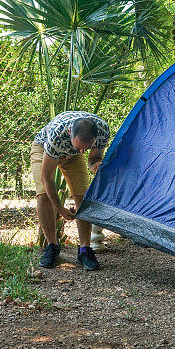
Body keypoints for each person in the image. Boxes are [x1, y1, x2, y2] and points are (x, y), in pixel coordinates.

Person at [31, 111, 110, 270]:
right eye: (80, 147)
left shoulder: (102, 131)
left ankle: (84, 250)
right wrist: (60, 208)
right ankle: (52, 247)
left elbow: (94, 158)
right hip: (44, 149)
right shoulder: (57, 135)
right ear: (69, 133)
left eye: (86, 148)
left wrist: (94, 165)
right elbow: (47, 178)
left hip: (71, 155)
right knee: (44, 195)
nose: (83, 152)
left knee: (82, 195)